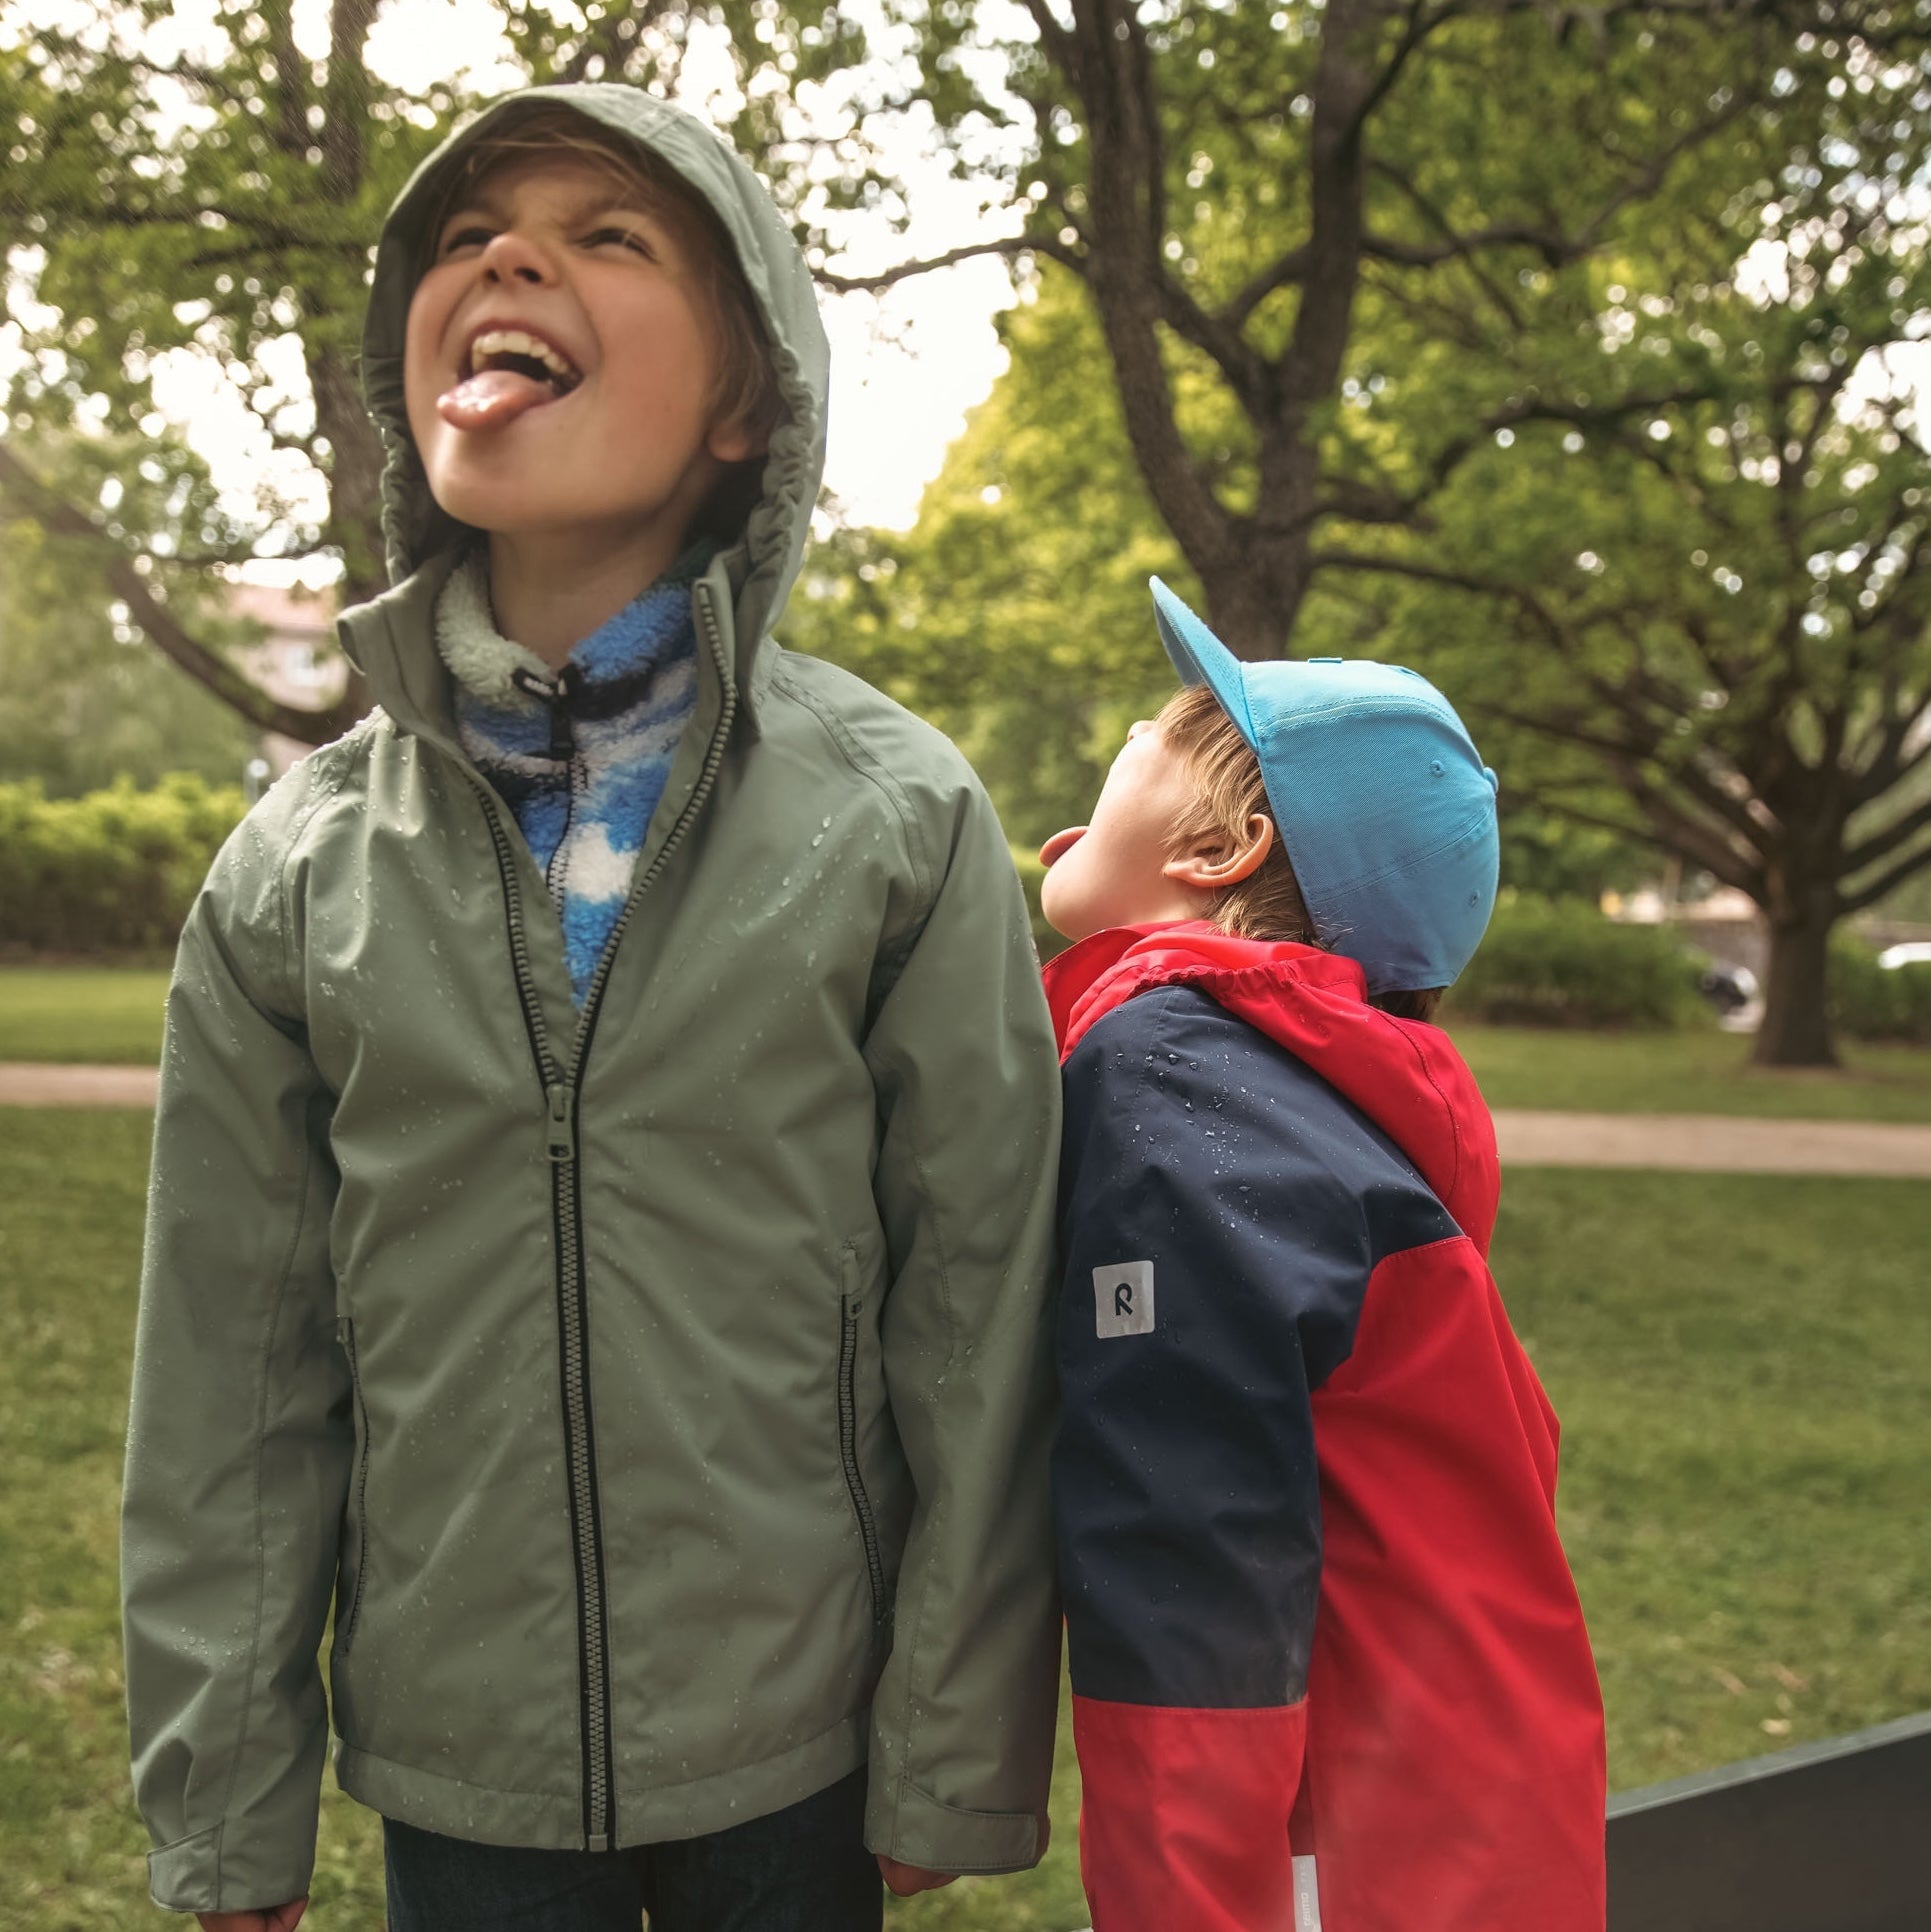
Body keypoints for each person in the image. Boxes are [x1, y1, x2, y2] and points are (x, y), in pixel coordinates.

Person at [121, 85, 1062, 1932]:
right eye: (471, 235)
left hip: (797, 1739)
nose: (509, 256)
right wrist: (225, 1797)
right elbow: (232, 1368)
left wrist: (952, 1741)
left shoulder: (898, 817)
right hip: (455, 1754)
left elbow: (983, 1306)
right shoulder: (295, 871)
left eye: (608, 234)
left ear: (744, 408)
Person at [1041, 580, 1607, 1932]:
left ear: (1225, 845)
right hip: (1471, 1797)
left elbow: (1190, 1543)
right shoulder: (1306, 1092)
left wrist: (1181, 1902)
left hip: (1337, 1841)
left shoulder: (1173, 1081)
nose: (1130, 724)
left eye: (1166, 728)